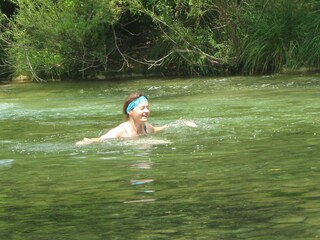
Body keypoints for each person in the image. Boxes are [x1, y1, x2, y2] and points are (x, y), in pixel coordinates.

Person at [76, 92, 166, 145]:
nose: (146, 111)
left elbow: (156, 129)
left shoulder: (147, 127)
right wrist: (87, 141)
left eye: (148, 107)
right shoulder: (120, 131)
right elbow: (100, 139)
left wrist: (170, 126)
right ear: (130, 111)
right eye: (142, 108)